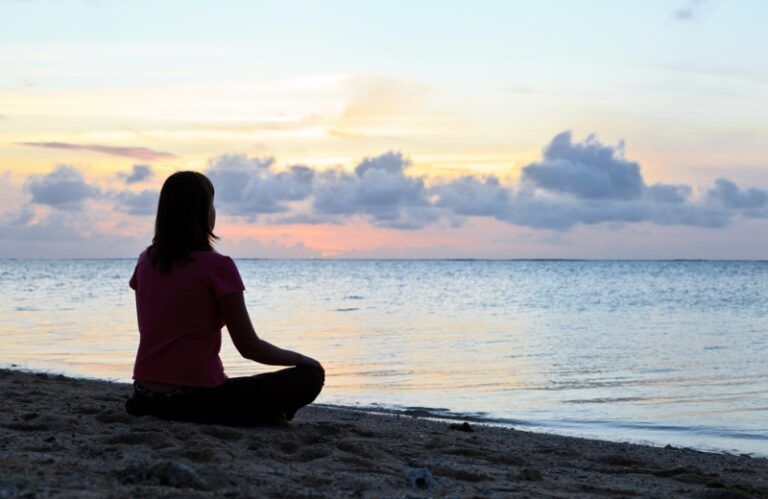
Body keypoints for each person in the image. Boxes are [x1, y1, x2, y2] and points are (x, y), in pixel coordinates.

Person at [124, 171, 324, 426]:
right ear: (201, 212)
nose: (214, 210)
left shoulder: (146, 260)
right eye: (211, 204)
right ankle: (267, 416)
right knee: (309, 377)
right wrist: (304, 360)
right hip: (198, 400)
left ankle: (266, 415)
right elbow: (249, 347)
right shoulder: (217, 267)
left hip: (144, 398)